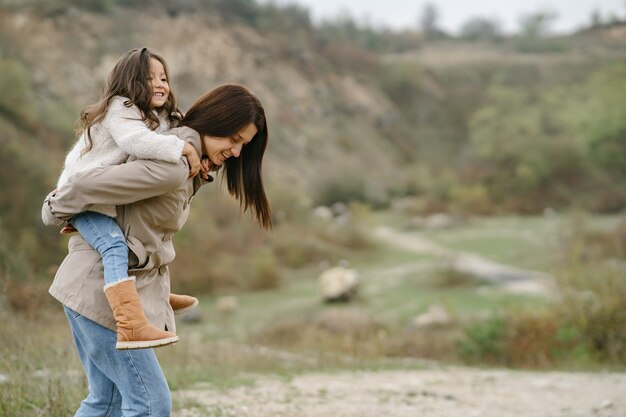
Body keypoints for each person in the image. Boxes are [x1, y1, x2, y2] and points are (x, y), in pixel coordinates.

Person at [42, 83, 271, 416]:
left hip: (91, 288)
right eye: (233, 139)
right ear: (214, 121)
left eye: (243, 145)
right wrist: (53, 207)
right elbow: (86, 184)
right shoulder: (172, 165)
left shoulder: (185, 163)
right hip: (98, 291)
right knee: (150, 403)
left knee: (107, 402)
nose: (237, 152)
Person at [54, 47, 204, 349]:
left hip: (104, 199)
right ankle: (130, 321)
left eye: (164, 78)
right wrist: (183, 150)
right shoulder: (120, 108)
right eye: (150, 78)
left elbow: (169, 132)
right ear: (130, 82)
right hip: (85, 198)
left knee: (144, 234)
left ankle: (150, 295)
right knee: (114, 247)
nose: (161, 84)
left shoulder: (154, 116)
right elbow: (135, 141)